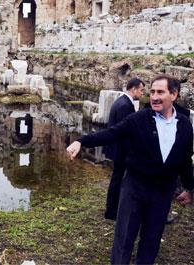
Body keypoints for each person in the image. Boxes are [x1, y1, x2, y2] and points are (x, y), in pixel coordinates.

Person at [66, 75, 193, 264]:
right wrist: (81, 141)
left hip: (162, 193)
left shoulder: (184, 125)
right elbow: (112, 133)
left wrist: (190, 188)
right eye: (151, 92)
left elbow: (184, 159)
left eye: (160, 92)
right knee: (124, 239)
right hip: (135, 189)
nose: (154, 97)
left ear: (173, 95)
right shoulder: (139, 119)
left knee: (151, 241)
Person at [104, 78, 145, 220]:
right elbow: (124, 131)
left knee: (117, 178)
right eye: (141, 90)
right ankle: (112, 211)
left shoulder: (121, 101)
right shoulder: (125, 105)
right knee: (117, 179)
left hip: (117, 148)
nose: (142, 93)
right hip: (120, 150)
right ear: (133, 89)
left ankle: (113, 209)